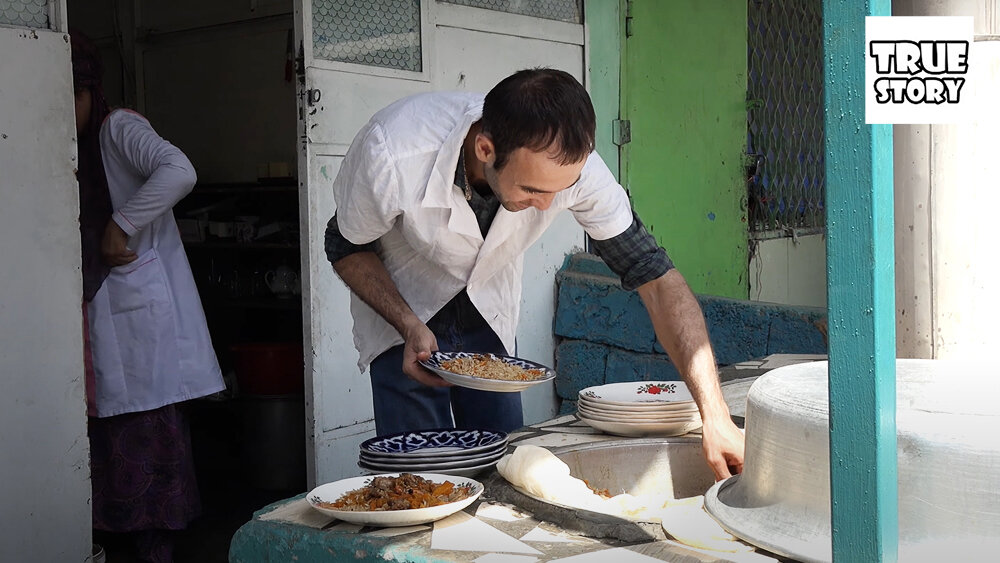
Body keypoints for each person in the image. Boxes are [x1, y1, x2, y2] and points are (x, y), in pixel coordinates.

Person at [325, 68, 744, 480]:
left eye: (558, 191)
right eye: (531, 190)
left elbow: (655, 277)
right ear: (485, 150)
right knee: (420, 477)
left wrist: (715, 415)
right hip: (403, 316)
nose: (548, 206)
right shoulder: (393, 152)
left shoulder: (574, 169)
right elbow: (345, 246)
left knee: (505, 464)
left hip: (486, 309)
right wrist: (406, 322)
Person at [72, 31, 224, 562]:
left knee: (144, 430)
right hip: (97, 321)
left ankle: (157, 547)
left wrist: (122, 222)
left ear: (92, 91)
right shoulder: (59, 148)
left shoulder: (118, 130)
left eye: (75, 96)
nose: (66, 110)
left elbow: (179, 170)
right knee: (96, 433)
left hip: (140, 324)